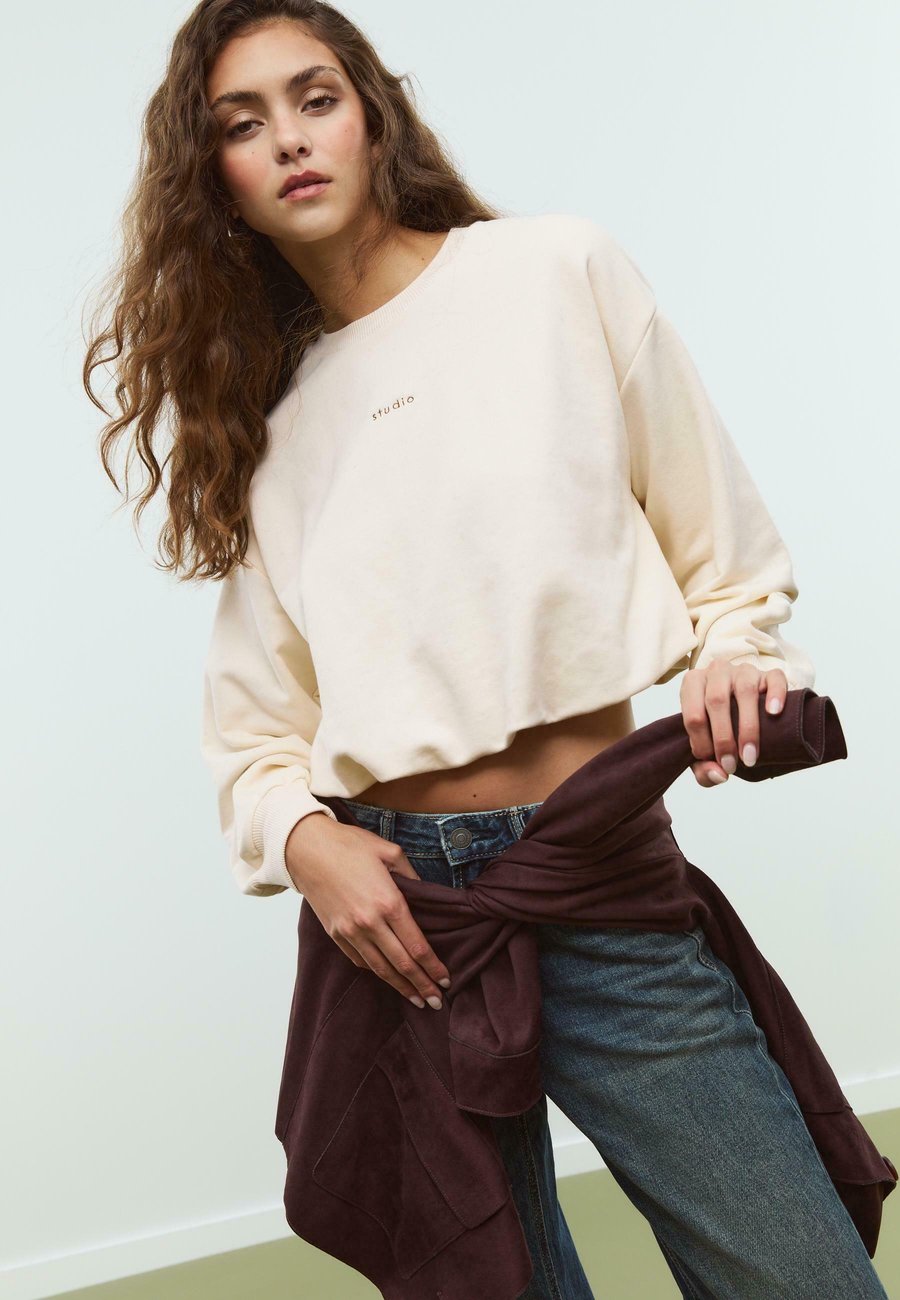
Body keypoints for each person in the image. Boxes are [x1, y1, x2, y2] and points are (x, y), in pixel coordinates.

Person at [84, 2, 889, 1297]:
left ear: (373, 114)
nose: (289, 139)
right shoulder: (269, 424)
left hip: (595, 866)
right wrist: (310, 845)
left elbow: (725, 562)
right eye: (242, 123)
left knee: (800, 1279)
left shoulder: (555, 274)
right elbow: (255, 733)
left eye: (315, 98)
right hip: (404, 923)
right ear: (214, 178)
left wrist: (738, 653)